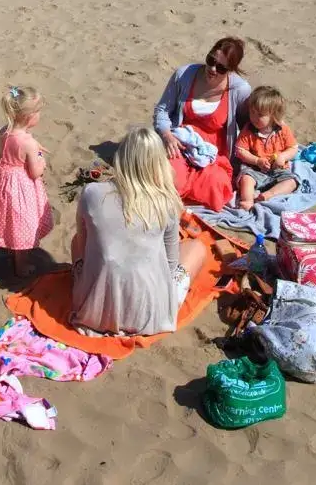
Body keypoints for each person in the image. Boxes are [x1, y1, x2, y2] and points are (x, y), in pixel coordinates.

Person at [70, 126, 207, 337]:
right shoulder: (166, 202)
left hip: (93, 312)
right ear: (159, 163)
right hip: (149, 315)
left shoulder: (92, 193)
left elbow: (83, 241)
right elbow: (170, 265)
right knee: (196, 248)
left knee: (77, 241)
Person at [153, 37, 251, 211]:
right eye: (210, 60)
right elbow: (162, 110)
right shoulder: (184, 75)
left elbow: (247, 128)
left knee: (215, 185)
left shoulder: (239, 90)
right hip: (180, 143)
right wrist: (167, 135)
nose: (212, 69)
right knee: (169, 177)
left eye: (221, 68)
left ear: (231, 70)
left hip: (214, 153)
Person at [0, 86, 53, 276]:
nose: (40, 115)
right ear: (29, 117)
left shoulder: (4, 131)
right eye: (38, 112)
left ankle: (12, 251)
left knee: (11, 218)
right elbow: (36, 172)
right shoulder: (27, 143)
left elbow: (6, 151)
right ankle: (22, 267)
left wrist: (34, 145)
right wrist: (40, 158)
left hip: (3, 181)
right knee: (23, 223)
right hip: (21, 186)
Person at [235, 85, 298, 210]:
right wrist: (256, 161)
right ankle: (247, 201)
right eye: (252, 112)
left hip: (277, 170)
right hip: (255, 170)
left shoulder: (282, 129)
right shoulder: (248, 130)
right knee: (246, 179)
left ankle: (269, 194)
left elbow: (293, 148)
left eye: (260, 115)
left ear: (273, 116)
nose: (254, 117)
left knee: (292, 182)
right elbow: (240, 150)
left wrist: (283, 156)